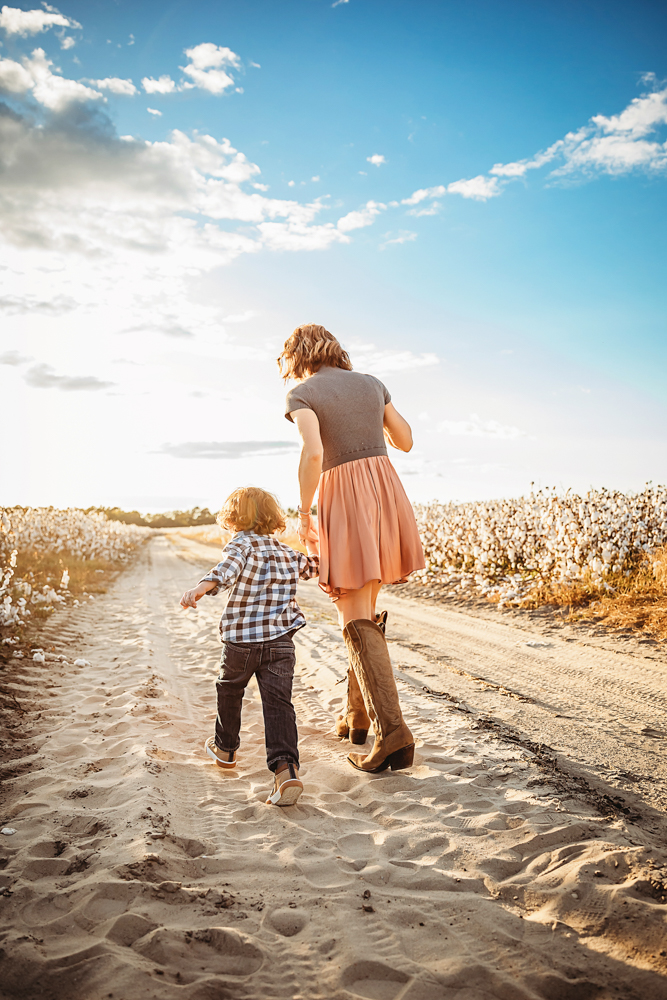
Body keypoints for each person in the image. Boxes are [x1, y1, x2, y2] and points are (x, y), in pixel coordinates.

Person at [277, 324, 425, 774]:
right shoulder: (372, 384)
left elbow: (314, 453)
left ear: (297, 356)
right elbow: (406, 441)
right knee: (364, 605)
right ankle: (356, 718)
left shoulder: (302, 394)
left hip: (343, 491)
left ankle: (392, 733)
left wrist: (304, 514)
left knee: (353, 612)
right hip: (385, 488)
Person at [179, 486, 319, 807]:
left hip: (242, 641)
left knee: (229, 689)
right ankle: (286, 771)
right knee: (278, 703)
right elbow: (314, 567)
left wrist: (200, 589)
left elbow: (225, 570)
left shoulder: (240, 544)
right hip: (281, 642)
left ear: (234, 519)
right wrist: (318, 545)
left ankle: (226, 749)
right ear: (272, 519)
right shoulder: (286, 551)